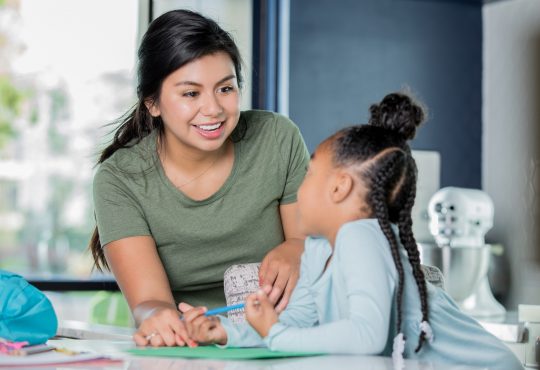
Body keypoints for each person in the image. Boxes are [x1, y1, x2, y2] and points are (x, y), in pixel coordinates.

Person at [181, 92, 523, 370]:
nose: (300, 186)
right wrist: (226, 332)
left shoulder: (362, 237)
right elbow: (295, 327)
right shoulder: (317, 250)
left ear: (339, 188)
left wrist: (274, 333)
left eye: (310, 173)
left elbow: (367, 336)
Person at [89, 9, 309, 348]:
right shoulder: (119, 180)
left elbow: (310, 243)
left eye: (225, 88)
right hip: (192, 346)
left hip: (281, 337)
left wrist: (296, 249)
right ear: (152, 102)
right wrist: (156, 317)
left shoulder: (277, 138)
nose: (213, 109)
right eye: (191, 93)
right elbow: (149, 301)